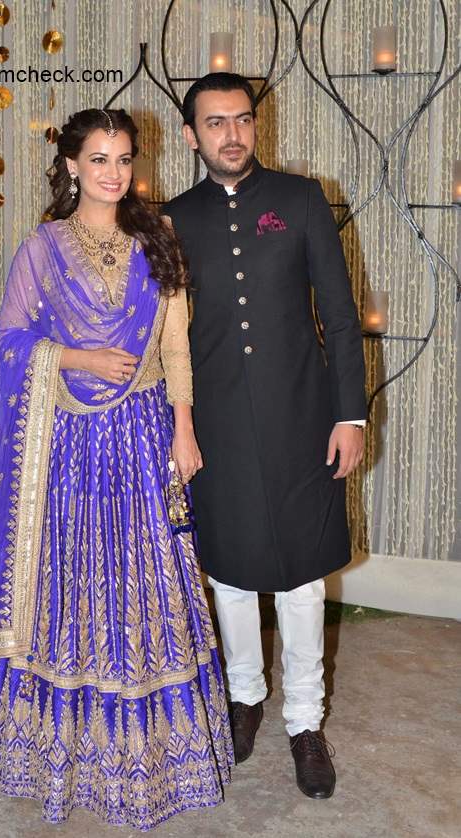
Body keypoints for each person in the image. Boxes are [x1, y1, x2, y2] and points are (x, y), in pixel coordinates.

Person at [0, 107, 233, 829]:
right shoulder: (43, 248)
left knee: (150, 578)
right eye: (100, 160)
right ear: (72, 167)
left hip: (145, 431)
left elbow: (175, 345)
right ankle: (62, 752)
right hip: (70, 442)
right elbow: (13, 338)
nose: (114, 174)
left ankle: (157, 755)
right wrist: (76, 357)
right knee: (71, 577)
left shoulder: (158, 237)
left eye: (123, 160)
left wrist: (184, 426)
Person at [162, 73, 366, 800]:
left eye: (242, 119)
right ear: (191, 136)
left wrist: (351, 414)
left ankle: (305, 722)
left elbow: (340, 317)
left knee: (305, 575)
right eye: (215, 123)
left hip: (303, 417)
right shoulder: (168, 219)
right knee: (232, 572)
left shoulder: (302, 198)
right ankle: (245, 699)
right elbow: (162, 336)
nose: (232, 134)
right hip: (213, 426)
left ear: (256, 124)